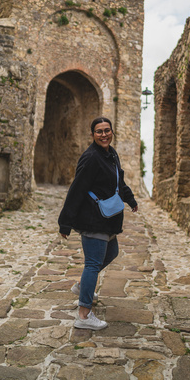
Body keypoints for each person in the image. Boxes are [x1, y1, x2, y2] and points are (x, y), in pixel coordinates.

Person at [58, 117, 138, 330]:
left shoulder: (111, 154)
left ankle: (83, 286)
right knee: (93, 264)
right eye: (99, 131)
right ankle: (83, 316)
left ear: (112, 132)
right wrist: (65, 223)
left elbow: (119, 182)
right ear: (92, 134)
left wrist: (130, 200)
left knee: (111, 253)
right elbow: (77, 189)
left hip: (108, 219)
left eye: (107, 130)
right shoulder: (91, 157)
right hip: (93, 218)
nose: (104, 135)